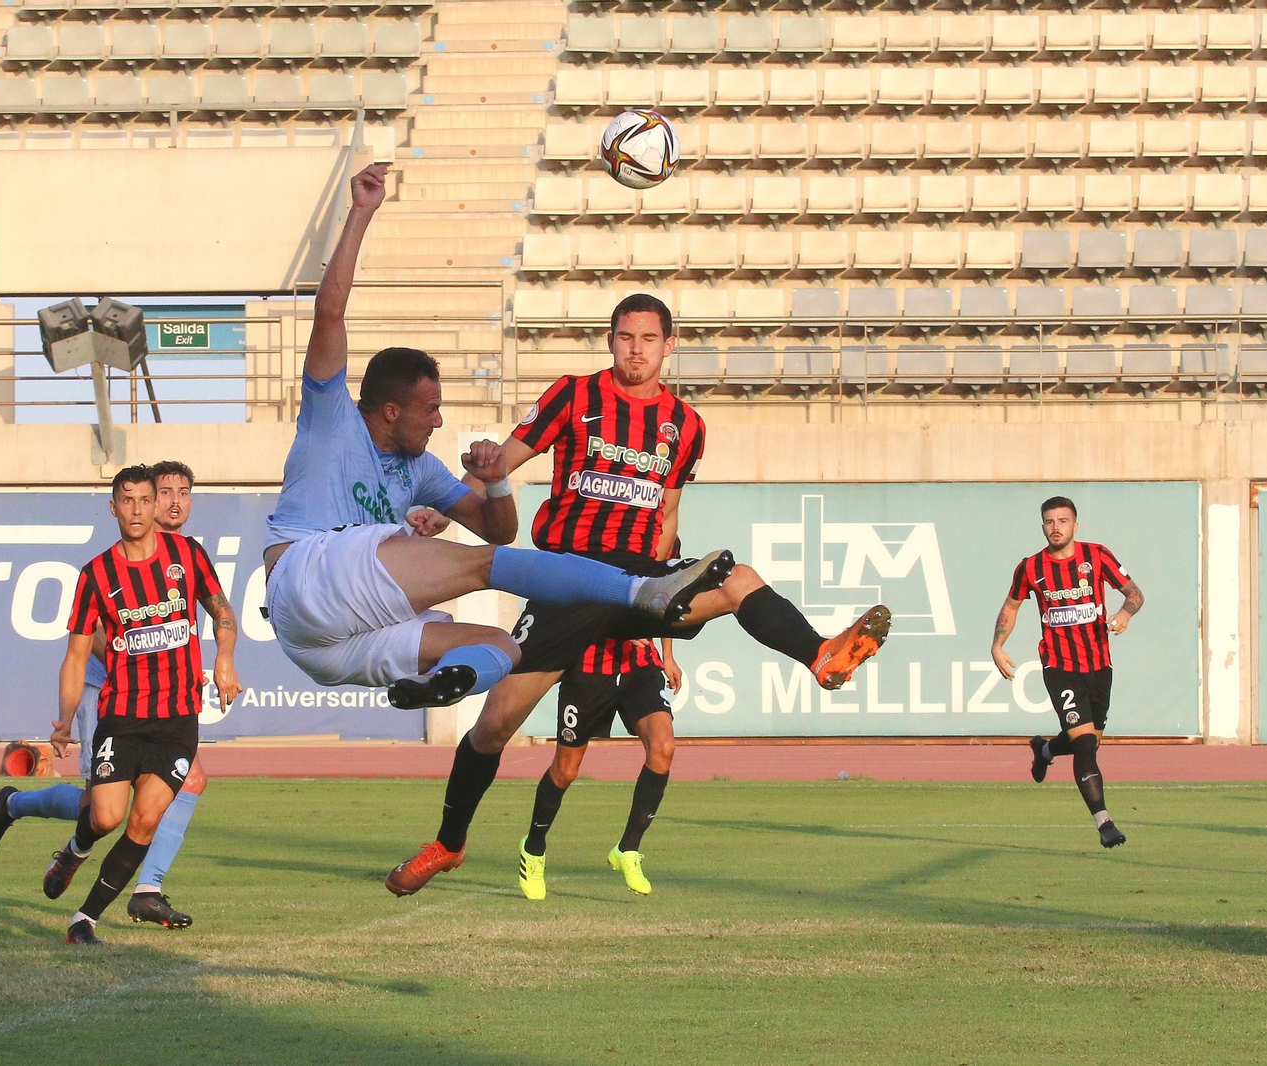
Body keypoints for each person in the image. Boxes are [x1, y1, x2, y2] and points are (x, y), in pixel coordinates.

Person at [386, 294, 890, 896]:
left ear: (668, 346)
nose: (636, 349)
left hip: (637, 584)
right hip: (567, 583)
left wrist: (666, 589)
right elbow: (509, 460)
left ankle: (820, 655)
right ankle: (448, 844)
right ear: (611, 340)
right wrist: (447, 515)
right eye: (626, 337)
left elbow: (669, 509)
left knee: (736, 578)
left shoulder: (687, 425)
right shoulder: (573, 395)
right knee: (493, 727)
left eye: (648, 339)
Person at [260, 162, 733, 713]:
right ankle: (641, 590)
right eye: (430, 410)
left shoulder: (423, 471)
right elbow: (330, 312)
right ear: (390, 410)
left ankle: (438, 685)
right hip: (305, 575)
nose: (438, 422)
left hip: (323, 648)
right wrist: (361, 212)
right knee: (479, 567)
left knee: (501, 645)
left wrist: (498, 481)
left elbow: (498, 529)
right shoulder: (331, 418)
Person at [0, 462, 217, 928]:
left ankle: (146, 888)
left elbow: (198, 619)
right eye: (162, 492)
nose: (172, 502)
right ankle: (17, 806)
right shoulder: (113, 565)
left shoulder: (185, 555)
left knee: (185, 783)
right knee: (101, 809)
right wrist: (147, 656)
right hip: (107, 690)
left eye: (182, 493)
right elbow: (108, 635)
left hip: (162, 705)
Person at [39, 467, 241, 945]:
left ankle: (83, 920)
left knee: (144, 821)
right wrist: (65, 720)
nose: (135, 509)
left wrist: (225, 657)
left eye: (143, 500)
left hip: (176, 719)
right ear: (114, 508)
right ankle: (75, 848)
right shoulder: (96, 574)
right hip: (123, 715)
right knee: (105, 816)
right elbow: (76, 652)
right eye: (125, 501)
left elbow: (223, 611)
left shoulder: (187, 556)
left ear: (154, 508)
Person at [991, 495, 1144, 849]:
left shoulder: (1097, 556)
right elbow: (1011, 605)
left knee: (1086, 742)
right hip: (1059, 666)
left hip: (1098, 666)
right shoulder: (1030, 567)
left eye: (1062, 521)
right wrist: (997, 645)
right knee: (1086, 745)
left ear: (1075, 525)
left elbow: (1134, 593)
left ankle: (1044, 750)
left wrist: (1125, 613)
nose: (1055, 527)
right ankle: (1104, 823)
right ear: (1042, 526)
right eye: (1049, 521)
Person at [517, 637, 680, 901]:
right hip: (588, 670)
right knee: (566, 770)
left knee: (663, 747)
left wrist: (668, 655)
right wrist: (621, 625)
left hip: (639, 667)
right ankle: (533, 849)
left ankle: (628, 849)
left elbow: (663, 603)